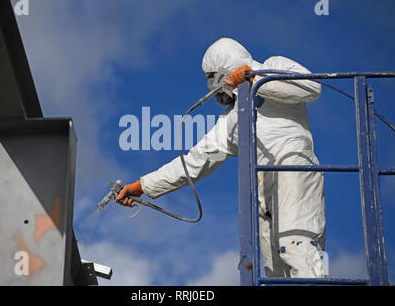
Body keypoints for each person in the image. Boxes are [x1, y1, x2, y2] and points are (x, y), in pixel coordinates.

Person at [116, 37, 326, 278]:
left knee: (297, 248)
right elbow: (195, 162)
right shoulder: (230, 124)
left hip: (292, 169)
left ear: (227, 68)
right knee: (275, 271)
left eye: (213, 77)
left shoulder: (273, 67)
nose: (212, 86)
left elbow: (310, 87)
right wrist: (142, 186)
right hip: (262, 192)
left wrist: (254, 77)